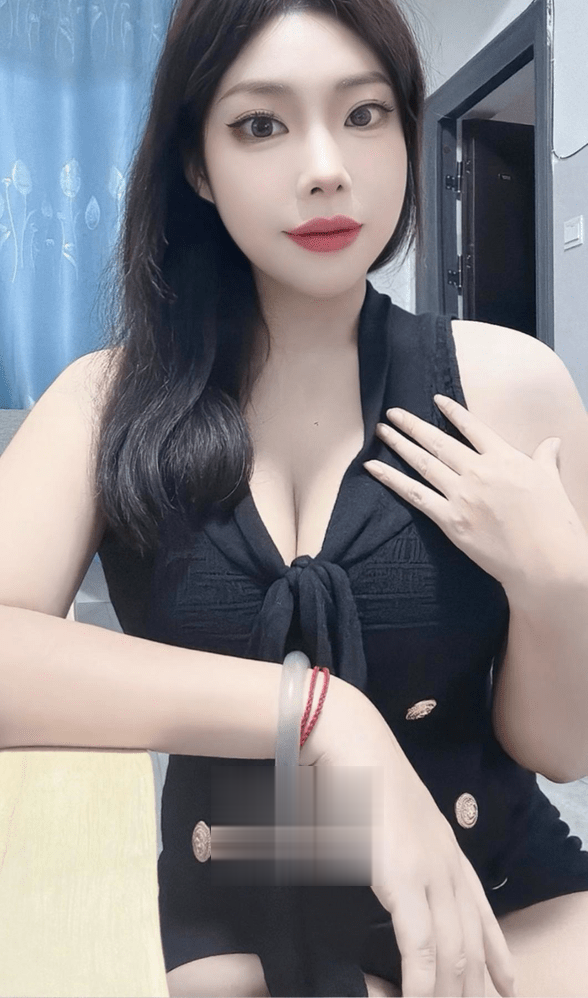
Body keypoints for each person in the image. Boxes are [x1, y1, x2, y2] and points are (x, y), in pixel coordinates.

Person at [2, 0, 588, 994]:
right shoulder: (105, 403)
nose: (325, 166)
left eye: (363, 114)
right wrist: (316, 714)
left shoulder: (511, 383)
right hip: (238, 887)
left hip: (492, 889)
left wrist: (560, 586)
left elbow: (558, 750)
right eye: (261, 124)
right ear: (197, 165)